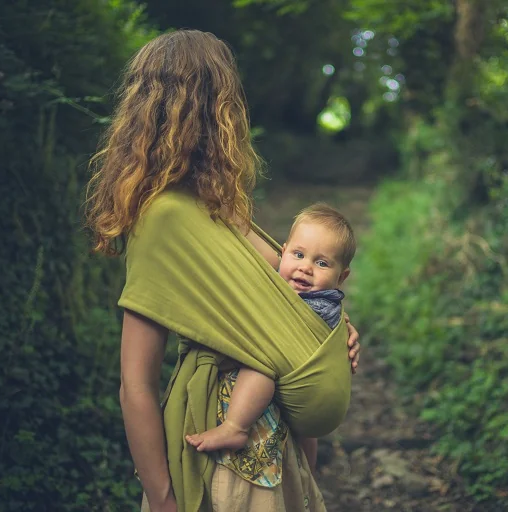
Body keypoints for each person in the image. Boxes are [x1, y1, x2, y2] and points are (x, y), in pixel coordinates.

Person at [85, 30, 360, 512]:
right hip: (218, 446)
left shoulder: (219, 203)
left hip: (272, 442)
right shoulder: (164, 218)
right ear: (219, 107)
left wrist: (330, 330)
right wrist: (165, 499)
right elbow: (136, 385)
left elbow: (278, 291)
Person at [185, 203, 356, 470]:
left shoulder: (315, 305)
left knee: (262, 365)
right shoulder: (300, 291)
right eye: (298, 255)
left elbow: (264, 328)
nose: (305, 268)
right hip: (309, 403)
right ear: (283, 251)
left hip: (312, 390)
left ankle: (235, 427)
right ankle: (307, 476)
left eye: (321, 263)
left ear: (341, 277)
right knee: (302, 435)